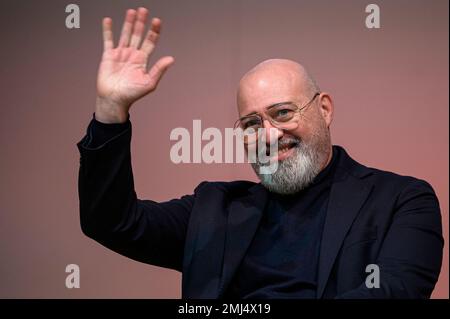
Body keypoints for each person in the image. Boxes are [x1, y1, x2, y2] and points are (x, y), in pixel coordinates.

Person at [77, 7, 443, 298]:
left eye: (283, 112)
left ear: (325, 109)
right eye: (252, 123)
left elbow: (397, 290)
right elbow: (112, 223)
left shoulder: (402, 200)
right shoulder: (213, 209)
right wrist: (110, 110)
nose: (269, 134)